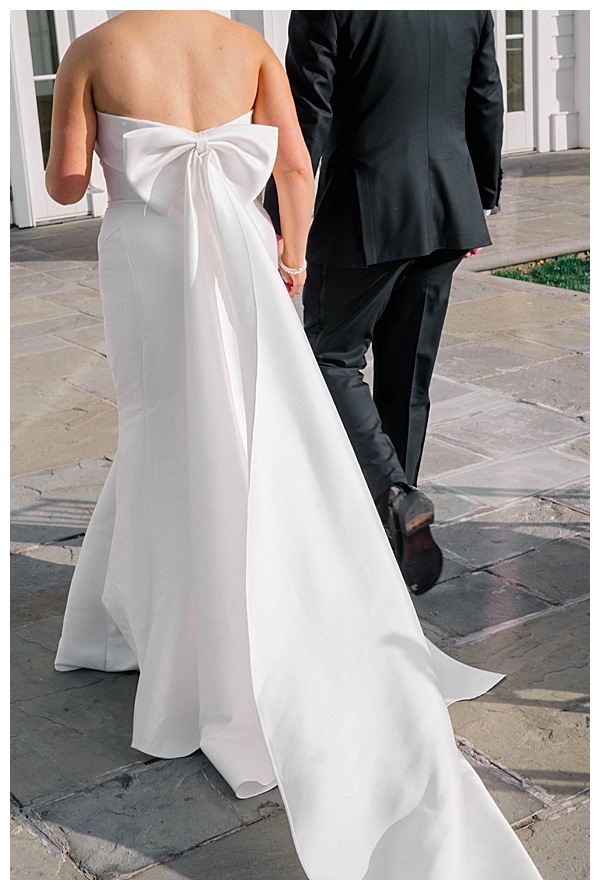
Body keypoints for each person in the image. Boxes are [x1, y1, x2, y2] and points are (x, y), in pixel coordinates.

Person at [47, 11, 539, 880]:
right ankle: (363, 511)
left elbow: (63, 183)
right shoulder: (247, 45)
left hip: (147, 254)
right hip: (258, 244)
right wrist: (295, 257)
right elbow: (296, 163)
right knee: (260, 415)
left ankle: (179, 642)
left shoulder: (92, 47)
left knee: (163, 427)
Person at [264, 11, 504, 595]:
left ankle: (396, 498)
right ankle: (397, 525)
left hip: (363, 210)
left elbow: (308, 115)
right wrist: (482, 198)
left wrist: (278, 224)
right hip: (448, 205)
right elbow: (486, 99)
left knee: (328, 360)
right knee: (407, 375)